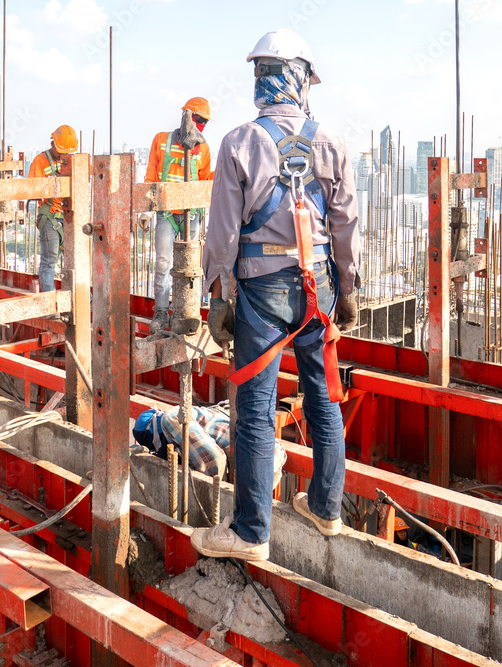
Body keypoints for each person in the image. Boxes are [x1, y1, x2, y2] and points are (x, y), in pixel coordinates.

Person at [190, 29, 360, 562]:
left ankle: (250, 531)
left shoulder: (239, 143)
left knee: (258, 409)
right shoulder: (331, 143)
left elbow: (222, 232)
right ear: (303, 80)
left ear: (261, 78)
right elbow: (347, 224)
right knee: (323, 395)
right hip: (320, 290)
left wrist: (218, 294)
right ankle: (327, 509)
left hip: (262, 293)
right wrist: (349, 289)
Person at [141, 98, 214, 333]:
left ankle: (187, 312)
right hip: (166, 214)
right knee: (163, 264)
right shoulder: (161, 141)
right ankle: (161, 313)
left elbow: (203, 184)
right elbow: (151, 175)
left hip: (191, 215)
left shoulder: (202, 149)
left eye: (205, 122)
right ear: (187, 116)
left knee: (191, 266)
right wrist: (145, 210)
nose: (201, 125)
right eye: (199, 119)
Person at [131, 404, 286, 485]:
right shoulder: (200, 413)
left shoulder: (172, 418)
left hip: (255, 461)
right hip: (269, 453)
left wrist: (220, 493)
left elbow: (216, 459)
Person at [27, 125, 79, 292]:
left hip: (69, 216)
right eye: (64, 150)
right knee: (49, 260)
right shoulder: (40, 161)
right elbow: (33, 190)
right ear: (54, 144)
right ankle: (50, 301)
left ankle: (78, 296)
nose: (66, 154)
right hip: (50, 217)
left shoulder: (72, 162)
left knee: (75, 260)